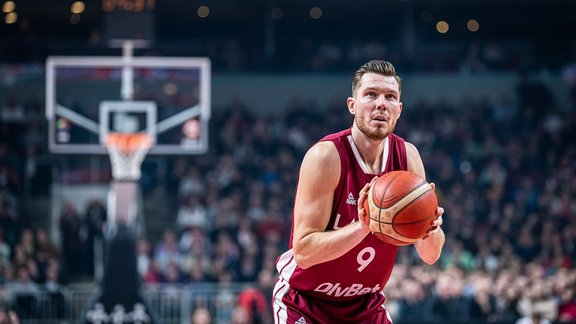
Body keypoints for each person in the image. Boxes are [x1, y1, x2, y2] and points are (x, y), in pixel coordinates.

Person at [273, 60, 445, 323]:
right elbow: (304, 253)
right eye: (371, 94)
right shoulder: (326, 157)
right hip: (307, 301)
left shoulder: (408, 157)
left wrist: (429, 228)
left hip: (365, 305)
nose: (381, 104)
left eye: (390, 97)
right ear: (352, 105)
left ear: (398, 110)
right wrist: (364, 225)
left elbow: (430, 256)